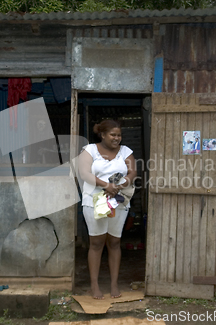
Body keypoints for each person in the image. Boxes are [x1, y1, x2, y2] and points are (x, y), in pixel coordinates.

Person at [78, 119, 137, 299]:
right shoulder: (89, 150)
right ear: (102, 135)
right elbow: (84, 173)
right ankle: (94, 285)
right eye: (113, 135)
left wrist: (122, 183)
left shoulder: (126, 151)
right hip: (94, 200)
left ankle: (113, 284)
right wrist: (106, 185)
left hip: (117, 201)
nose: (116, 138)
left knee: (114, 242)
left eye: (119, 135)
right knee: (96, 243)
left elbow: (132, 172)